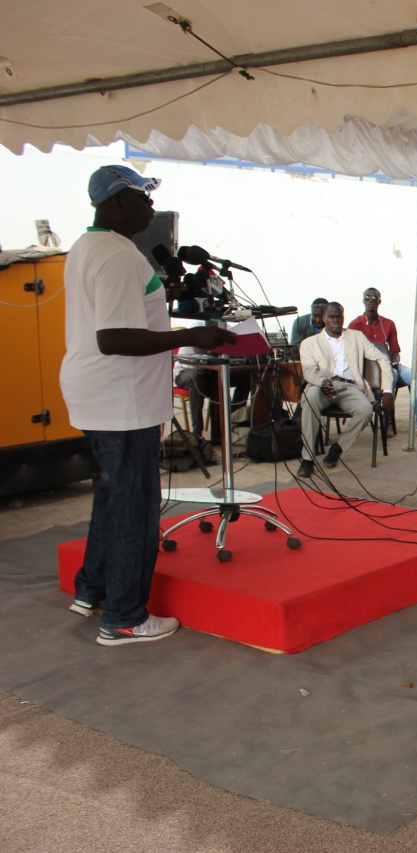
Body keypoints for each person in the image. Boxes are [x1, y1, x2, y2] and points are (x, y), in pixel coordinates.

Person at [63, 165, 237, 645]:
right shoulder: (119, 256)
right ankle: (123, 617)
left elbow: (122, 314)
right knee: (135, 509)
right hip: (121, 399)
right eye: (143, 197)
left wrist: (163, 298)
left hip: (97, 393)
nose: (152, 207)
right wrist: (190, 336)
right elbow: (114, 337)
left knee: (112, 496)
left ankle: (91, 590)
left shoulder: (88, 245)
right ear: (117, 202)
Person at [297, 302, 394, 477]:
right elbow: (309, 370)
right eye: (331, 317)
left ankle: (338, 448)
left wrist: (387, 391)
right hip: (322, 386)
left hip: (350, 386)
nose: (336, 320)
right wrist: (323, 382)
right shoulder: (309, 343)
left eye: (339, 316)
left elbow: (382, 359)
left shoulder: (356, 337)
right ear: (324, 318)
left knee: (365, 410)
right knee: (310, 398)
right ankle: (307, 459)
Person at [347, 287, 417, 434]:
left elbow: (395, 351)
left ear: (379, 301)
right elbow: (352, 353)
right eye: (367, 298)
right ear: (363, 301)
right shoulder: (355, 325)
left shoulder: (388, 324)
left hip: (389, 365)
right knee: (392, 375)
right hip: (368, 371)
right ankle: (388, 421)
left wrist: (392, 362)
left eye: (374, 298)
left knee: (416, 376)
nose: (370, 301)